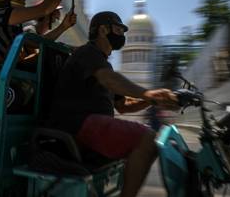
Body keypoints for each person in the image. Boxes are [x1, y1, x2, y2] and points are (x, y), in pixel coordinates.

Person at [48, 11, 178, 197]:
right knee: (147, 139)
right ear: (103, 30)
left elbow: (123, 106)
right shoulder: (88, 53)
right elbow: (109, 80)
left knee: (144, 142)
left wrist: (152, 100)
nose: (122, 36)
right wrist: (148, 92)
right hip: (76, 126)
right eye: (118, 29)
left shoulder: (103, 64)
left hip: (90, 127)